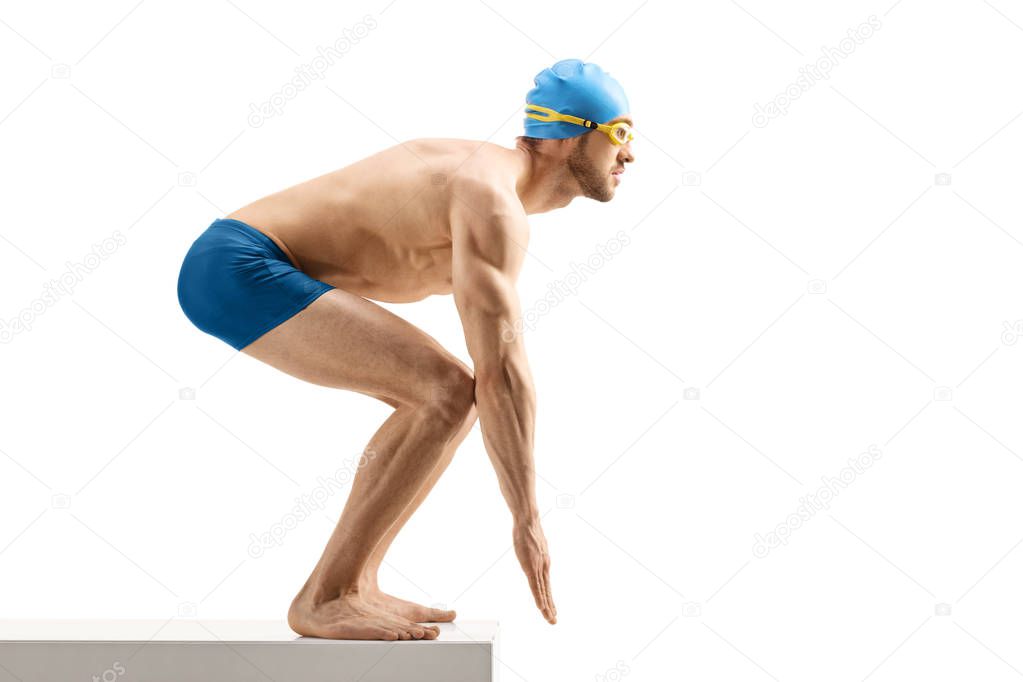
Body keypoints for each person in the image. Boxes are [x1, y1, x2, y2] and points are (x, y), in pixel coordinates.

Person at [176, 58, 634, 641]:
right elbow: (503, 375)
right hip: (236, 266)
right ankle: (327, 596)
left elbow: (496, 376)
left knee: (444, 394)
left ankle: (355, 584)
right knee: (444, 391)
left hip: (239, 263)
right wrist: (526, 518)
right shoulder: (490, 200)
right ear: (570, 134)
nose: (629, 155)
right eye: (619, 134)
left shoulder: (488, 182)